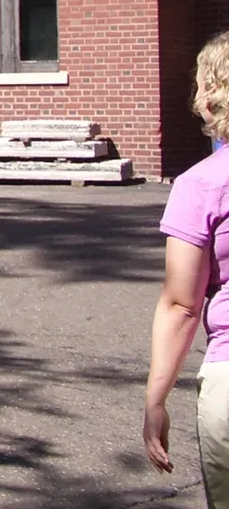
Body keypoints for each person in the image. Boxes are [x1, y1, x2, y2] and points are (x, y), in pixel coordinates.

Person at [146, 31, 229, 502]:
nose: (195, 97)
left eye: (201, 84)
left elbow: (182, 304)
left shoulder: (202, 185)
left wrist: (156, 400)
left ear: (216, 95)